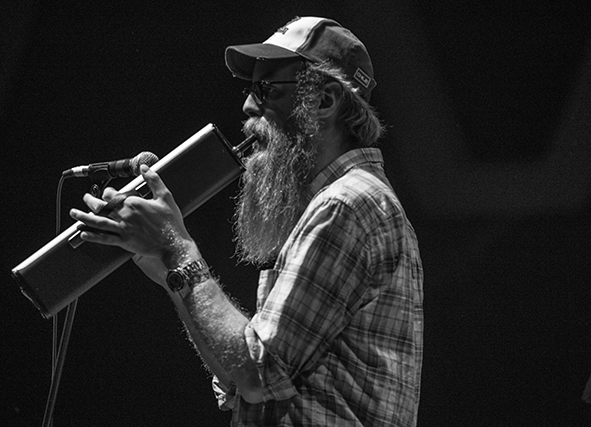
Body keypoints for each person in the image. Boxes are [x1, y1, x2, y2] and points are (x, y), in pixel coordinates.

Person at [70, 16, 424, 427]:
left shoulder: (347, 205)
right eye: (250, 90)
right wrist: (169, 270)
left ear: (324, 101)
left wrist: (176, 248)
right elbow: (240, 383)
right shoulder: (346, 203)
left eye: (267, 89)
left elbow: (259, 374)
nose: (249, 107)